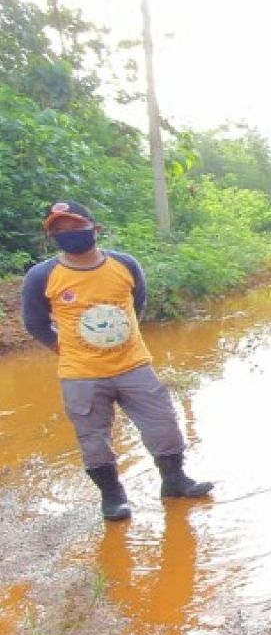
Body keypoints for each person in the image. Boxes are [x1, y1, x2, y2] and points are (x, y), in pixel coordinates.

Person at [20, 201, 214, 522]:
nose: (68, 234)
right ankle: (112, 497)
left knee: (163, 424)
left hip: (134, 365)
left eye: (75, 226)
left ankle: (175, 481)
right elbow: (35, 323)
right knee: (94, 439)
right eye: (59, 230)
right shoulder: (42, 276)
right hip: (81, 375)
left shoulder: (125, 265)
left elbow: (137, 305)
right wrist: (65, 349)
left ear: (95, 229)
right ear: (51, 238)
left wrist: (121, 339)